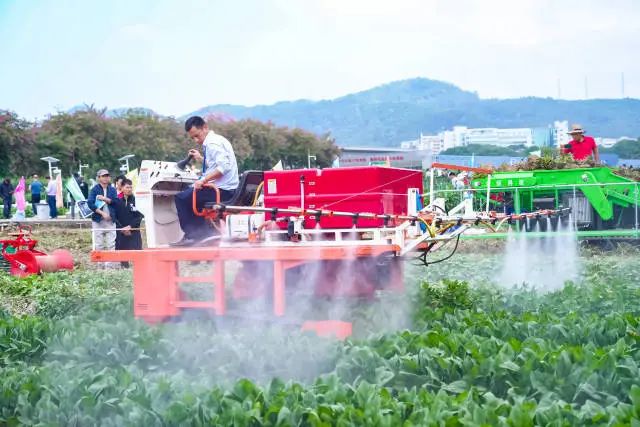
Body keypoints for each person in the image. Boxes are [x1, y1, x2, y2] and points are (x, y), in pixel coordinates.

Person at [172, 116, 239, 246]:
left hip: (222, 191)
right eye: (193, 138)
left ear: (205, 127)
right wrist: (200, 158)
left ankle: (193, 236)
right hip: (227, 188)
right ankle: (204, 235)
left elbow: (223, 168)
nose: (196, 140)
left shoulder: (212, 144)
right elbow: (215, 165)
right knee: (191, 195)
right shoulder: (218, 140)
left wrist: (203, 180)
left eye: (197, 136)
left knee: (181, 198)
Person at [87, 169, 118, 268]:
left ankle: (110, 266)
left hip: (110, 220)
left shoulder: (112, 189)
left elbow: (115, 202)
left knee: (111, 244)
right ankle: (99, 265)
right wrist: (102, 213)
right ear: (99, 178)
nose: (105, 178)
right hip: (98, 220)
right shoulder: (94, 189)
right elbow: (90, 203)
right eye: (103, 176)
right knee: (98, 244)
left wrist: (105, 199)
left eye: (107, 176)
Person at [114, 178, 144, 268]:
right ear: (122, 188)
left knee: (138, 253)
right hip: (121, 231)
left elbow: (140, 216)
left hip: (134, 231)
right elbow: (114, 216)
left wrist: (130, 226)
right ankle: (125, 268)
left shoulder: (137, 201)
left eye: (131, 187)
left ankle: (140, 269)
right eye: (127, 187)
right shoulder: (117, 201)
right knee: (123, 253)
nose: (129, 189)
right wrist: (122, 228)